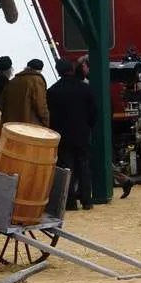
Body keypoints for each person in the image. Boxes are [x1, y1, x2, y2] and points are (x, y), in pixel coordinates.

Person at [47, 58, 98, 210]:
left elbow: (50, 115)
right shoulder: (84, 88)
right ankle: (87, 200)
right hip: (82, 133)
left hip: (62, 135)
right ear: (72, 69)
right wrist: (88, 126)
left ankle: (70, 202)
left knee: (66, 168)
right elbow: (94, 112)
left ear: (58, 71)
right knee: (83, 165)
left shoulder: (53, 91)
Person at [0, 57, 49, 126]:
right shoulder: (37, 81)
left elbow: (2, 103)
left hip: (10, 125)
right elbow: (41, 105)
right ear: (40, 70)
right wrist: (46, 122)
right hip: (28, 127)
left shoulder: (13, 81)